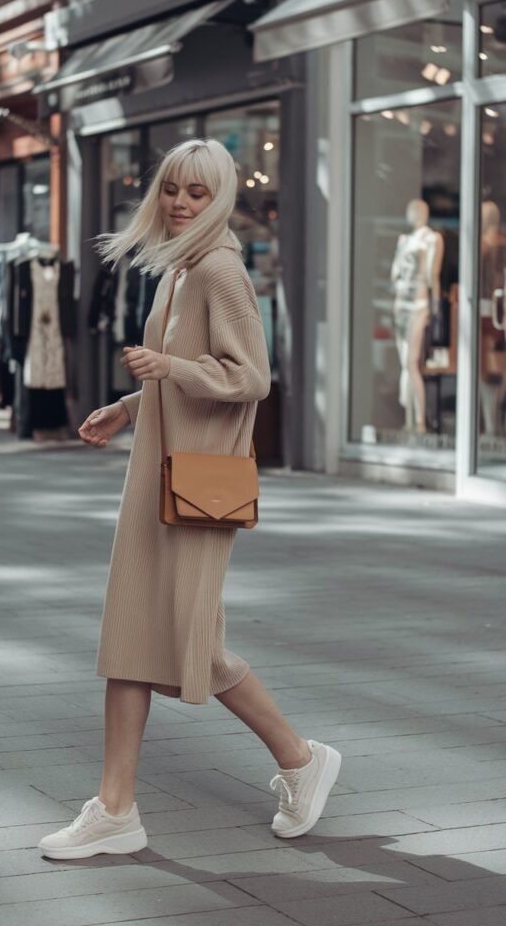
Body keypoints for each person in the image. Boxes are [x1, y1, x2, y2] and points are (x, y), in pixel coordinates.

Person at [38, 139, 342, 861]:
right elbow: (178, 375)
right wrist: (126, 407)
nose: (179, 202)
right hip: (161, 475)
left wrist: (169, 366)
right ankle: (118, 808)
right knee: (133, 633)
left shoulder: (220, 271)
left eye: (197, 193)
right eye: (172, 188)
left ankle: (299, 758)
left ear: (220, 199)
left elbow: (252, 377)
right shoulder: (179, 266)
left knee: (183, 641)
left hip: (197, 487)